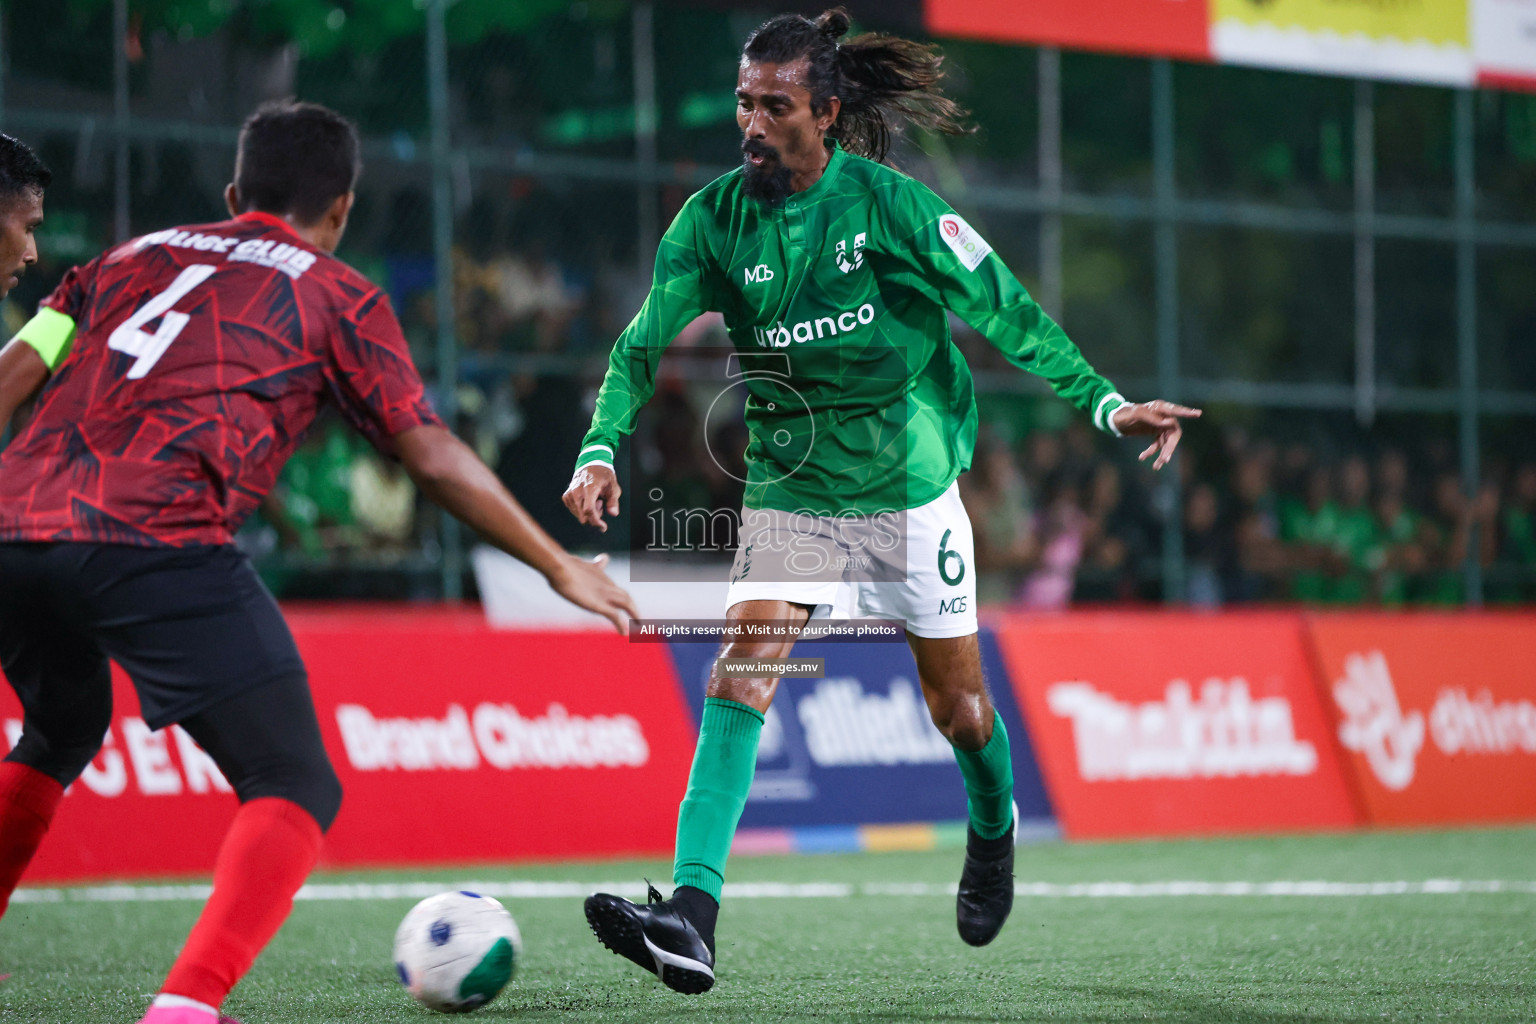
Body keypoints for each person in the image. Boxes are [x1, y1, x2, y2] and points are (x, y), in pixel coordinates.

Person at [562, 8, 1199, 995]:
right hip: (794, 486)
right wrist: (601, 443)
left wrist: (1105, 403)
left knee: (962, 711)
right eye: (744, 102)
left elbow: (1005, 307)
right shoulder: (714, 219)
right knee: (742, 672)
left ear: (824, 110)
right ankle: (692, 914)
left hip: (908, 491)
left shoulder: (893, 208)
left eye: (775, 106)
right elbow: (642, 342)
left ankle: (993, 830)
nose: (753, 123)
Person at [0, 101, 636, 1024]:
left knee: (63, 723)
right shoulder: (335, 291)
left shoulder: (122, 261)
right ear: (339, 210)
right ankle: (183, 1009)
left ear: (232, 194)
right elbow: (431, 454)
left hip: (13, 521)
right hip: (154, 533)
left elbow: (20, 366)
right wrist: (554, 563)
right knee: (294, 785)